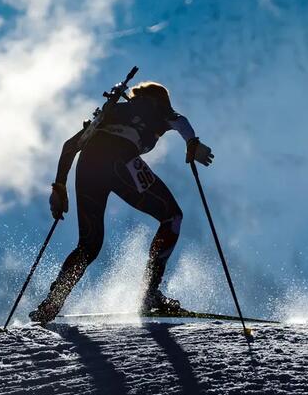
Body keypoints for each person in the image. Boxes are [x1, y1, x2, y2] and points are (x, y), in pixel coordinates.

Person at [29, 81, 214, 323]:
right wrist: (192, 143)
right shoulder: (157, 108)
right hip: (121, 158)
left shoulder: (113, 112)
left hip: (88, 164)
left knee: (89, 244)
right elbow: (180, 121)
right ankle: (149, 295)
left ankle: (52, 303)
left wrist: (59, 187)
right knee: (172, 216)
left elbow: (69, 147)